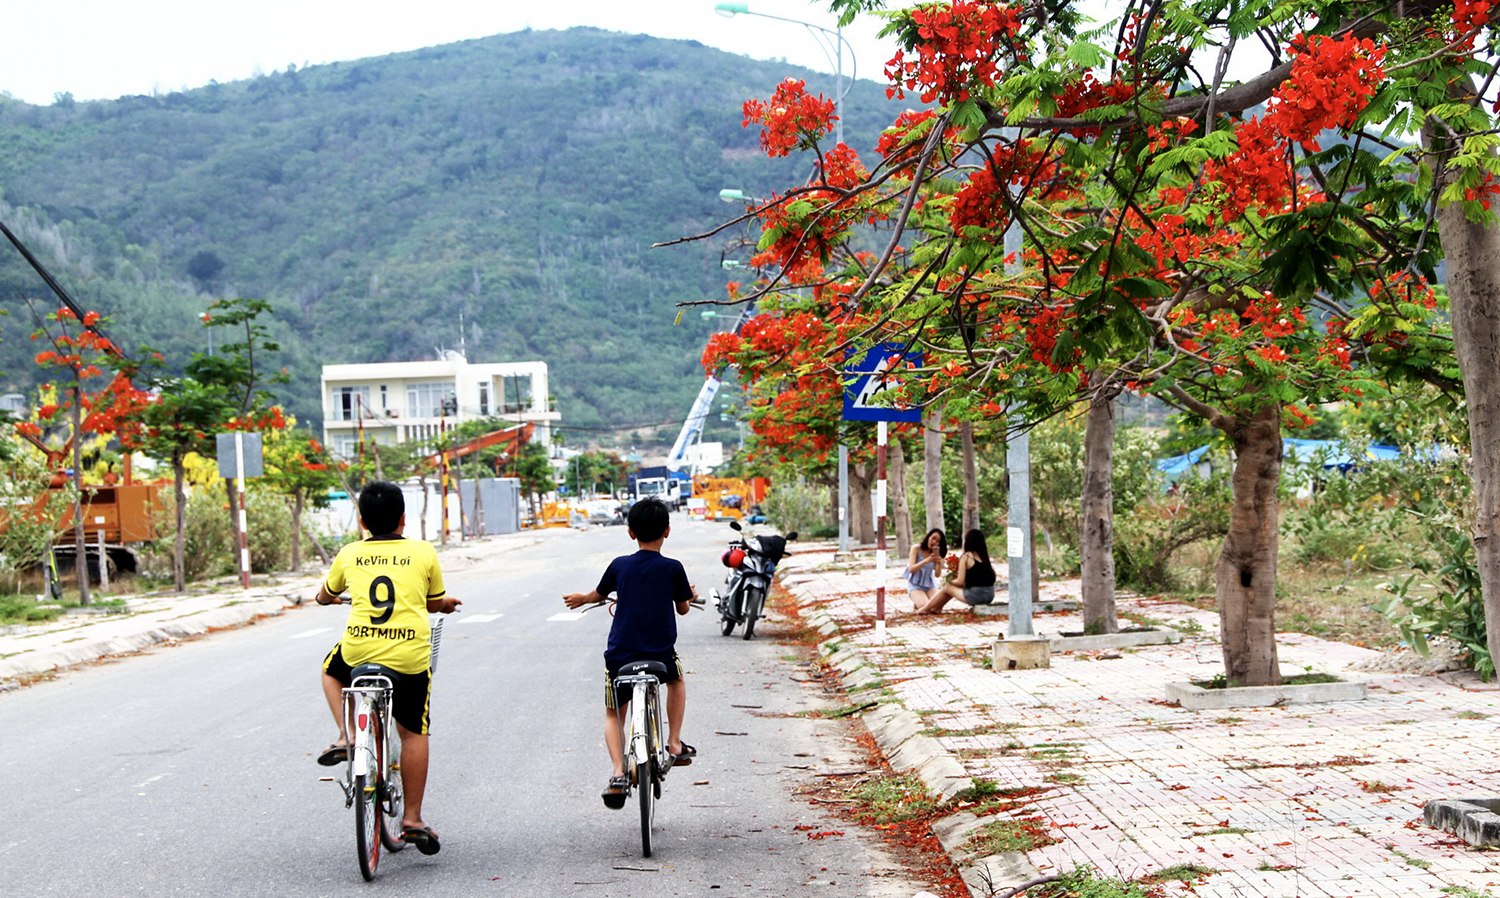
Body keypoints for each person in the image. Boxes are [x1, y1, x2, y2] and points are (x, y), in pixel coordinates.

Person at [314, 481, 462, 855]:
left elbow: (325, 595)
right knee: (413, 732)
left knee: (331, 671)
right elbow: (432, 603)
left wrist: (327, 597)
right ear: (403, 518)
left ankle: (347, 735)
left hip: (359, 648)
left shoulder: (349, 554)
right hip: (410, 655)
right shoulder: (423, 551)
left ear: (362, 522)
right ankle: (412, 818)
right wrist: (445, 605)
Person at [563, 497, 697, 809]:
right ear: (667, 531)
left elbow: (598, 594)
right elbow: (684, 608)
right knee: (676, 681)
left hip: (621, 657)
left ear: (630, 532)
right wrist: (687, 595)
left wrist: (582, 598)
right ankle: (675, 744)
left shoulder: (620, 565)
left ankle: (618, 773)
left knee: (614, 713)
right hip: (660, 656)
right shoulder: (674, 568)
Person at [918, 528, 999, 614]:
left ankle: (925, 609)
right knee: (951, 589)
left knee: (948, 587)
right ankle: (937, 608)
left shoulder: (967, 556)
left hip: (977, 596)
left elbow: (960, 582)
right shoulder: (984, 557)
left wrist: (950, 581)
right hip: (990, 595)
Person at [906, 528, 947, 611]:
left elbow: (937, 575)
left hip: (930, 585)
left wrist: (939, 563)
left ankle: (921, 601)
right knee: (925, 607)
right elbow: (911, 569)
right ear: (928, 537)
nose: (934, 542)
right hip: (915, 585)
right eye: (933, 538)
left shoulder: (935, 554)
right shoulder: (916, 549)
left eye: (937, 541)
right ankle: (918, 603)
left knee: (936, 608)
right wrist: (925, 561)